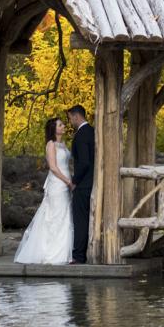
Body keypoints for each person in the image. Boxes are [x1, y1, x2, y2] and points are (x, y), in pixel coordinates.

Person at [13, 116, 73, 265]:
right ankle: (51, 253)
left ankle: (64, 252)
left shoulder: (63, 144)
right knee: (55, 216)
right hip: (57, 184)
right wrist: (67, 181)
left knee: (65, 216)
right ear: (54, 129)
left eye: (62, 124)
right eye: (60, 125)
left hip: (66, 182)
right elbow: (53, 167)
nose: (63, 126)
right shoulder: (51, 145)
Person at [68, 104, 95, 264]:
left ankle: (79, 256)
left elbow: (84, 162)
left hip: (83, 185)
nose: (70, 122)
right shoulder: (93, 131)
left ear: (77, 116)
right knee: (88, 220)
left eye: (70, 118)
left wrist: (74, 181)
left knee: (80, 220)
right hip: (93, 182)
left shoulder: (81, 135)